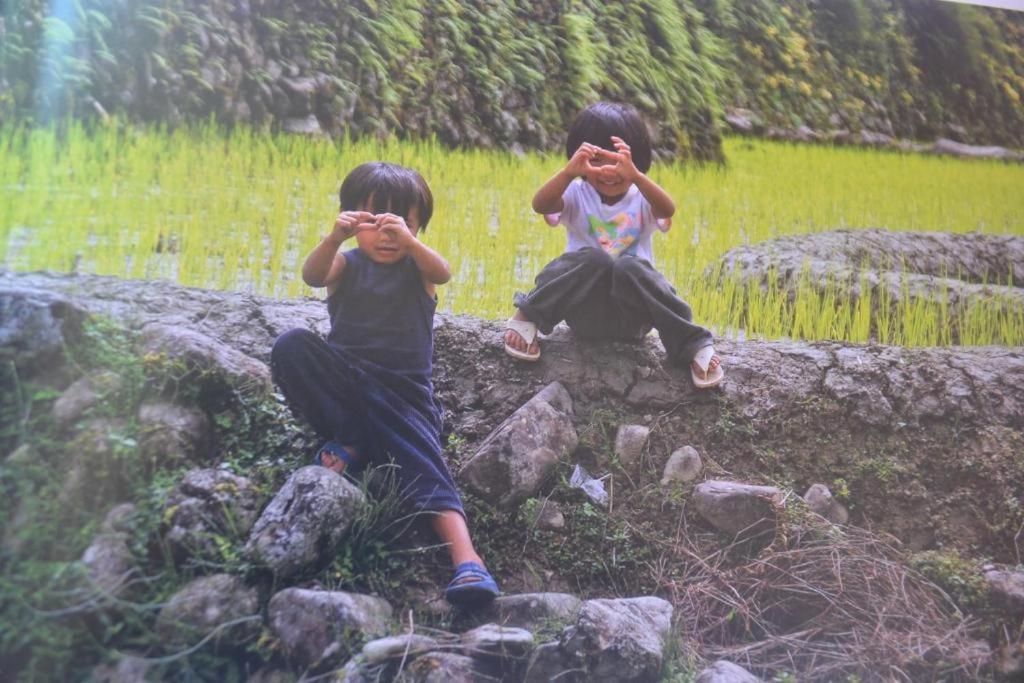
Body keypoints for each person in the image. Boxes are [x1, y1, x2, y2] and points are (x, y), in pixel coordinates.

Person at [271, 162, 499, 604]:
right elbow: (312, 276)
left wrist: (413, 243)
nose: (387, 235)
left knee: (423, 460)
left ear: (418, 228)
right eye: (373, 222)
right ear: (352, 219)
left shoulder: (420, 271)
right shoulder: (344, 264)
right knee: (292, 345)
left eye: (402, 224)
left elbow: (445, 270)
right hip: (350, 384)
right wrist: (335, 236)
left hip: (404, 395)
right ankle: (354, 437)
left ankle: (468, 560)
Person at [504, 102, 724, 388]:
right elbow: (540, 204)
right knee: (596, 259)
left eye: (617, 161)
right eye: (596, 160)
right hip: (583, 312)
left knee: (628, 265)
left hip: (633, 319)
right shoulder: (576, 194)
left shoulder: (642, 198)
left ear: (637, 161)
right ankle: (527, 315)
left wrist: (636, 177)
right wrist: (568, 173)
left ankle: (694, 344)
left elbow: (667, 209)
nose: (608, 171)